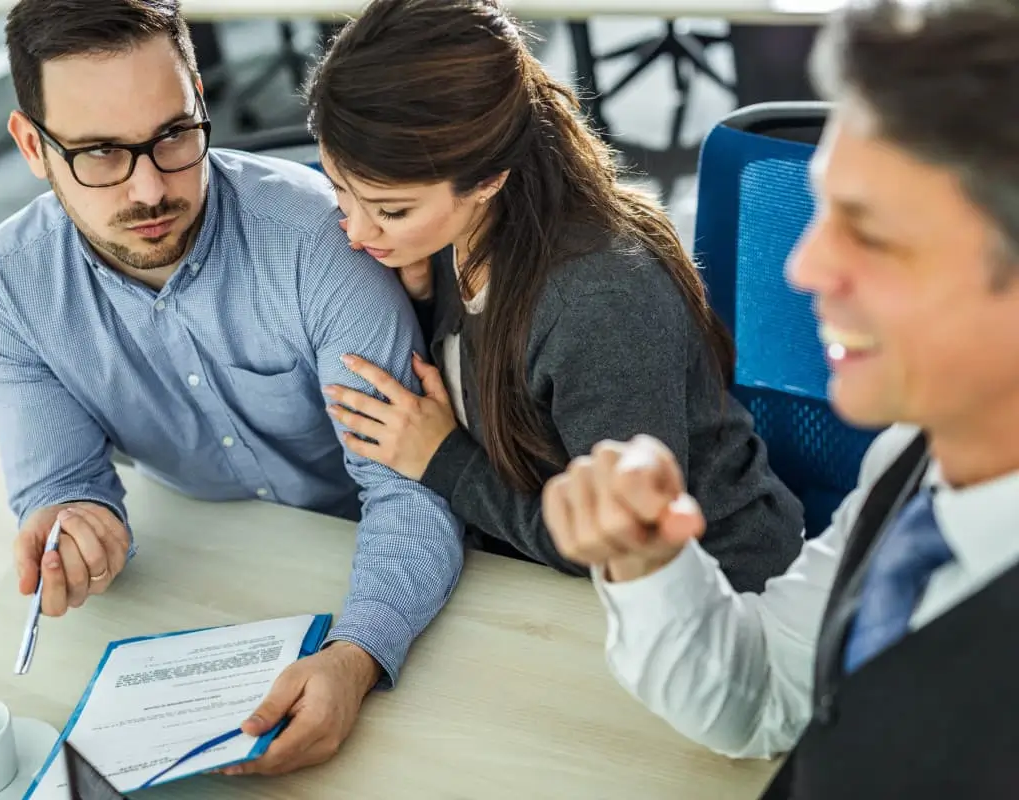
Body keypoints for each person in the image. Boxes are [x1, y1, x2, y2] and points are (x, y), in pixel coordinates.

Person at [0, 0, 465, 776]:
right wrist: (75, 527)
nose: (148, 190)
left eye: (173, 136)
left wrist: (357, 654)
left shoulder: (318, 242)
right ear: (33, 144)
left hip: (364, 557)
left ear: (201, 97)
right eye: (98, 153)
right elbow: (61, 486)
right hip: (199, 569)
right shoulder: (8, 285)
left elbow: (409, 490)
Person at [542, 0, 1019, 796]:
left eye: (871, 232)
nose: (801, 270)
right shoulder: (920, 453)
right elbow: (769, 695)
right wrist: (649, 562)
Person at [305, 0, 804, 592]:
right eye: (339, 190)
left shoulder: (597, 301)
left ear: (489, 179)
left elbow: (623, 542)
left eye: (391, 210)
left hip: (710, 591)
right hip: (540, 573)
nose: (357, 233)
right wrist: (420, 295)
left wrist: (444, 461)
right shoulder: (451, 232)